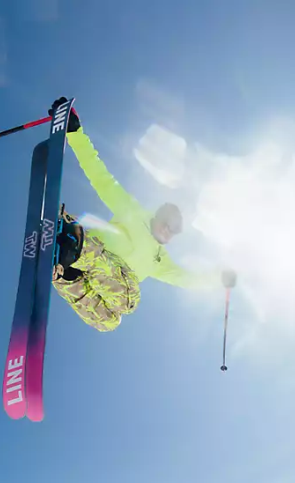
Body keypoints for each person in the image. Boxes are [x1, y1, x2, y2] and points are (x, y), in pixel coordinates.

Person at [48, 97, 236, 332]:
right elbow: (100, 176)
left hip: (85, 275)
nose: (168, 229)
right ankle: (71, 244)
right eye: (167, 221)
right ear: (158, 215)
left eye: (175, 229)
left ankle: (63, 274)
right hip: (90, 251)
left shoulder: (160, 261)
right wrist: (75, 133)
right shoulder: (133, 212)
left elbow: (188, 279)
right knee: (130, 298)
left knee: (109, 321)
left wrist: (219, 279)